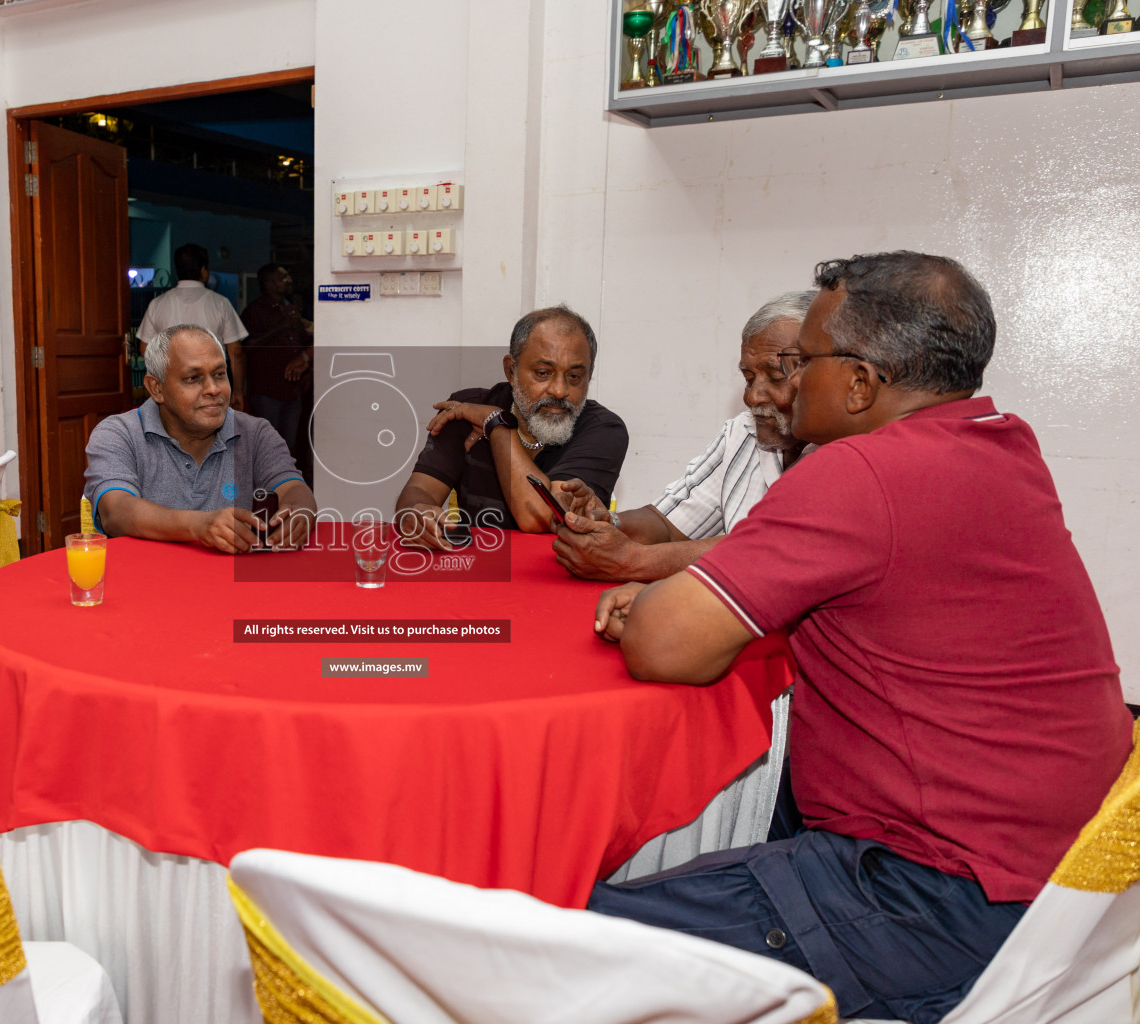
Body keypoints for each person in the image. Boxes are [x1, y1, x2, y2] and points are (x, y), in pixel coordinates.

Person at [587, 252, 1133, 1024]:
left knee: (566, 946)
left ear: (860, 383)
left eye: (802, 361)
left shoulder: (859, 473)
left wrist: (648, 606)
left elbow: (663, 647)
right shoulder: (1002, 446)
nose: (787, 382)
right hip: (1059, 886)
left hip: (935, 894)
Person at [551, 290, 816, 582]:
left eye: (775, 378)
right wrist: (607, 522)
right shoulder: (742, 433)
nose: (752, 397)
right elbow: (666, 522)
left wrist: (633, 561)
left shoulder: (850, 455)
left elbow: (770, 548)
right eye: (749, 378)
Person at [395, 306, 628, 547]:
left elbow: (541, 517)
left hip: (558, 575)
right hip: (480, 572)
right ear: (511, 370)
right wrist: (416, 513)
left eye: (574, 377)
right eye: (543, 373)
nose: (559, 391)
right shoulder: (469, 410)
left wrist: (497, 424)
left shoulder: (604, 430)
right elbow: (419, 491)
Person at [85, 324, 316, 553]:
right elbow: (116, 512)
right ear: (156, 388)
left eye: (219, 374)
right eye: (193, 378)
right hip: (146, 579)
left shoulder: (255, 433)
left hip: (229, 583)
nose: (213, 389)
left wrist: (298, 514)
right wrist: (200, 526)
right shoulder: (119, 434)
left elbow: (293, 488)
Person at [137, 243, 248, 411]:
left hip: (172, 385)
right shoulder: (220, 303)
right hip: (211, 386)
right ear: (203, 271)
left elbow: (145, 348)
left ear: (177, 270)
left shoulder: (157, 304)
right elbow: (236, 352)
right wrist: (238, 392)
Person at [240, 262, 312, 459]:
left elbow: (304, 343)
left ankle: (287, 486)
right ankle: (266, 488)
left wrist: (307, 370)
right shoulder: (254, 311)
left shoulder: (289, 308)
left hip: (292, 389)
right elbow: (247, 346)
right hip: (267, 390)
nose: (288, 281)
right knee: (267, 445)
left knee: (289, 446)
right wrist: (279, 327)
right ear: (268, 283)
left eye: (287, 277)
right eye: (282, 278)